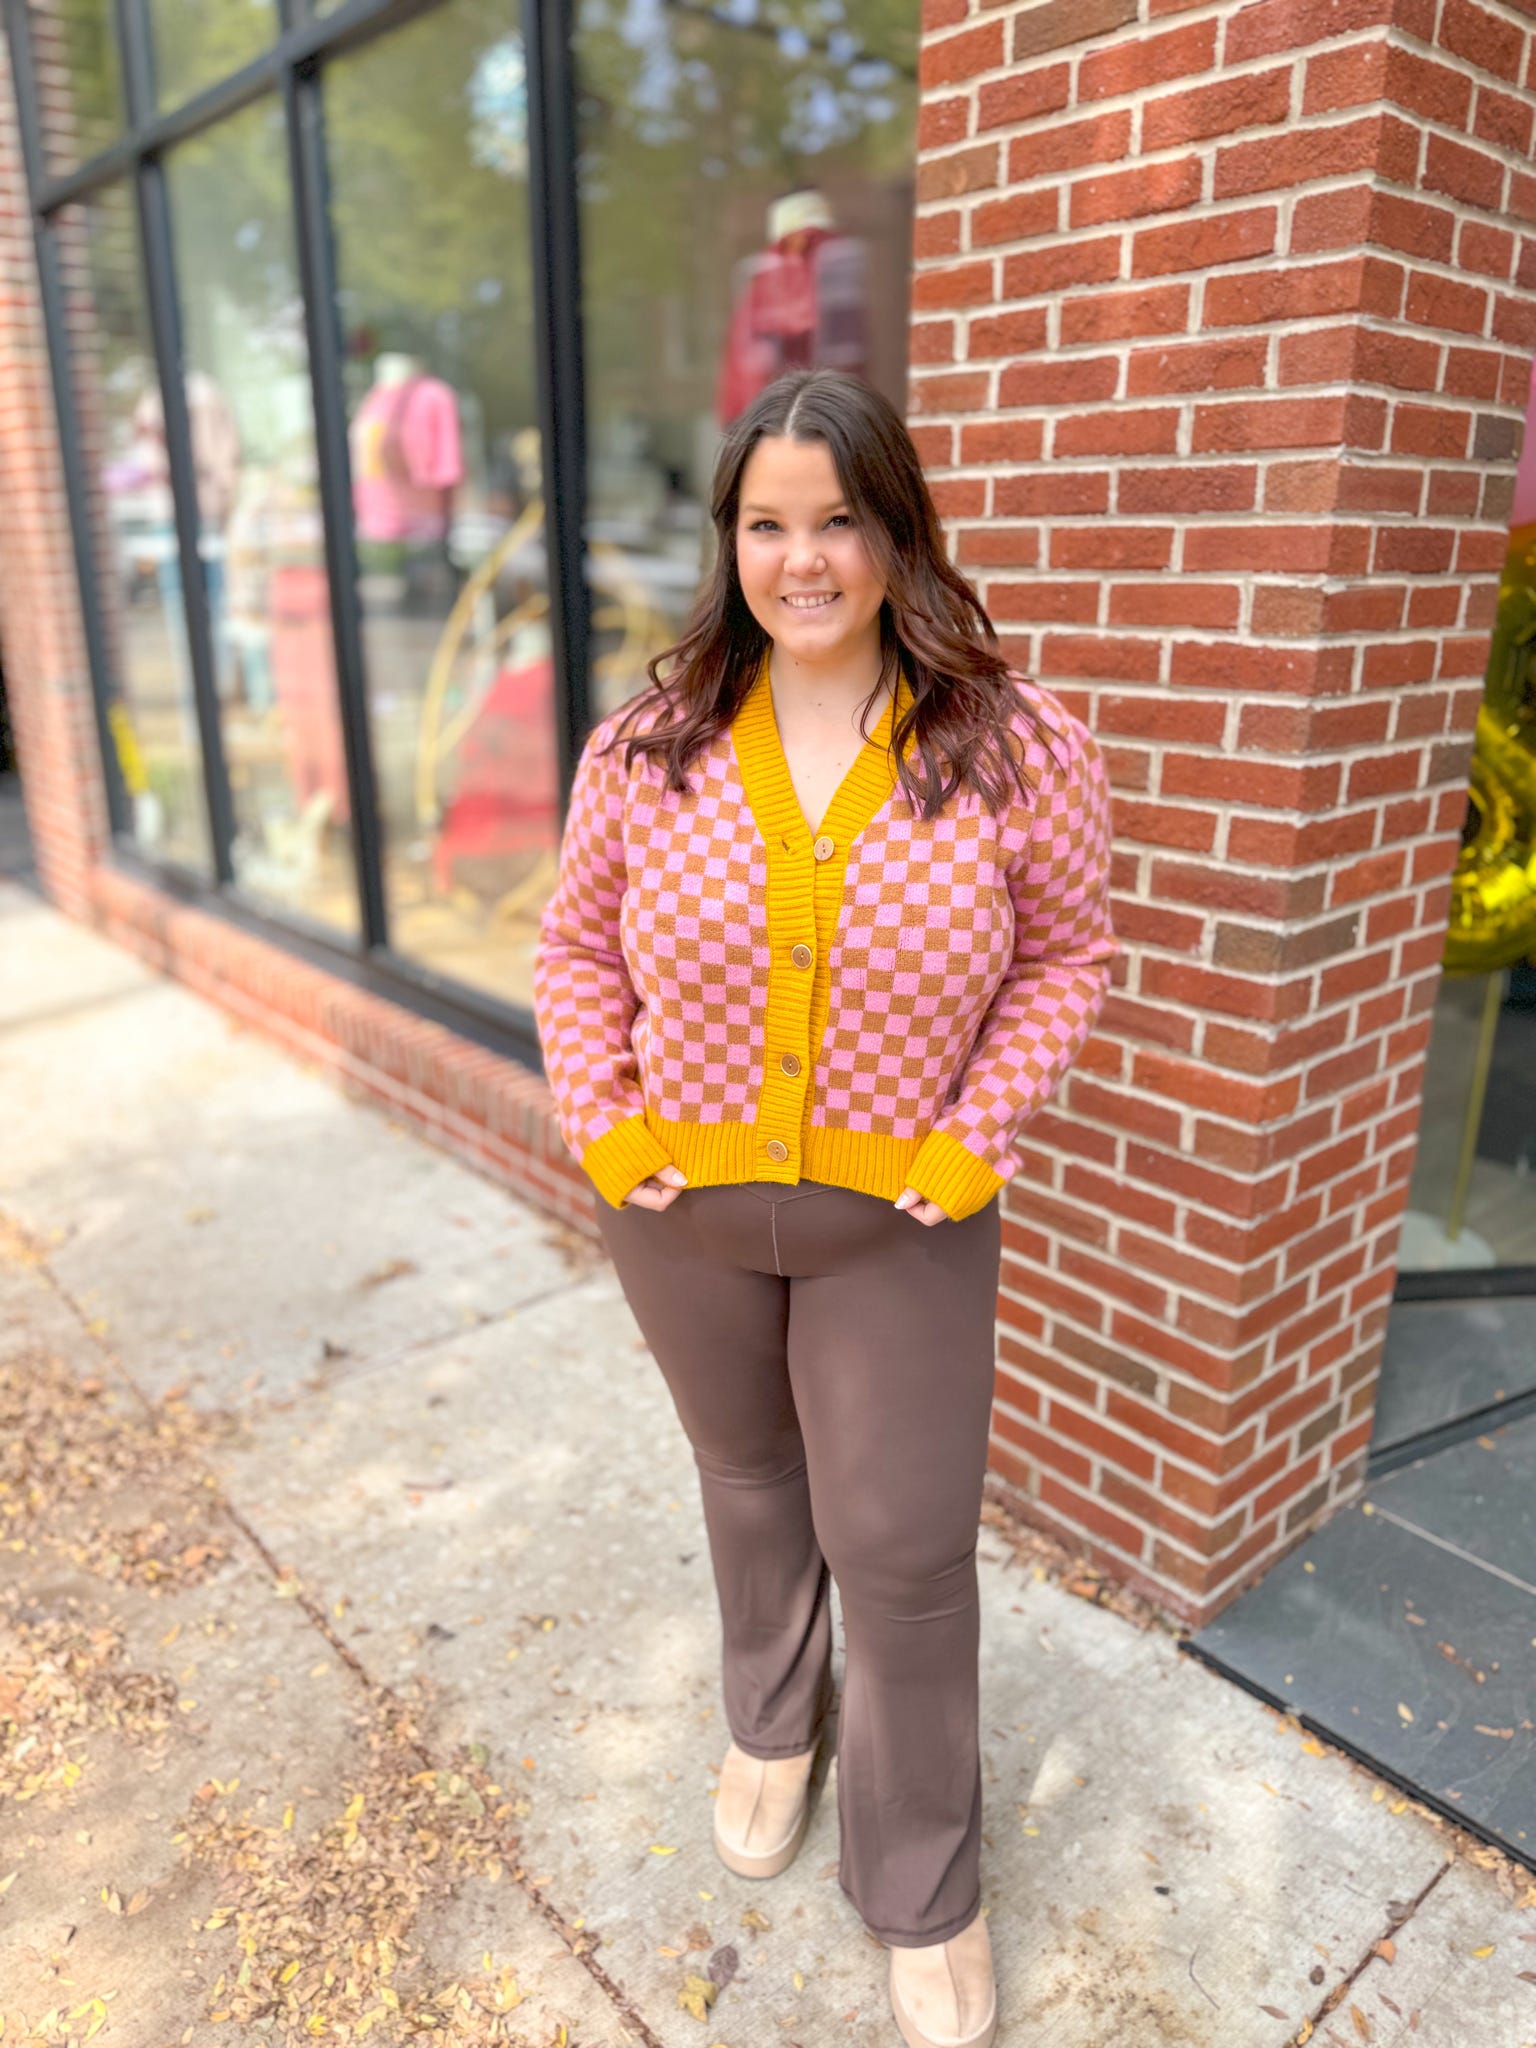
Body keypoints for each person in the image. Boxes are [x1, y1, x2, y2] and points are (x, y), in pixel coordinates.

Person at [532, 368, 1120, 2048]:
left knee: (910, 1553)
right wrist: (603, 1118)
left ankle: (924, 1880)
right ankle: (771, 1723)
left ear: (897, 530)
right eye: (768, 524)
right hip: (681, 1209)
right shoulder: (647, 748)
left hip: (904, 1225)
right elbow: (575, 952)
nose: (805, 559)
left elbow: (1072, 954)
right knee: (745, 1478)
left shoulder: (1012, 743)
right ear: (729, 543)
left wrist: (974, 1134)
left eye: (840, 518)